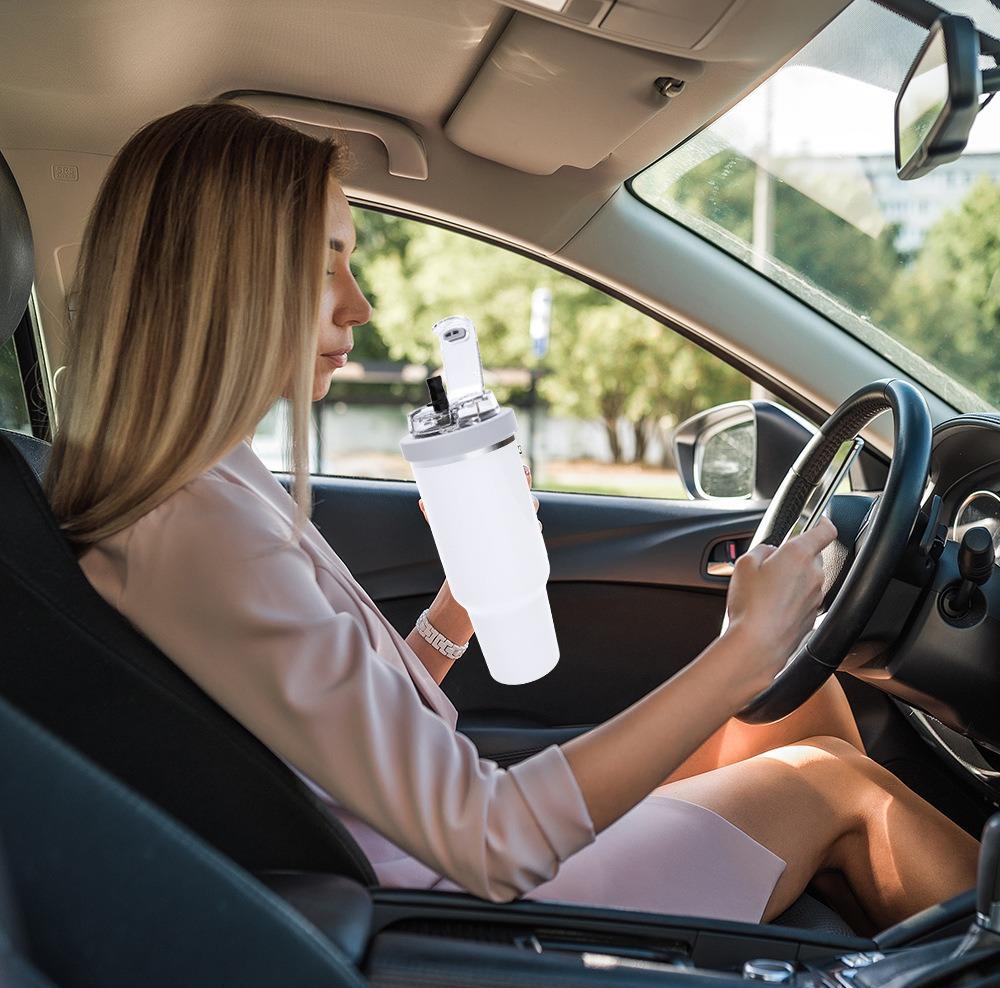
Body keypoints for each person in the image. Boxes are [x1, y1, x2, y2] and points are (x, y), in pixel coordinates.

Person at [44, 101, 979, 934]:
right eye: (327, 260)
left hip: (414, 844)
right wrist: (744, 639)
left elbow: (320, 729)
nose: (359, 307)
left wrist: (456, 610)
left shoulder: (204, 484)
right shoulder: (195, 527)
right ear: (224, 275)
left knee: (798, 704)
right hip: (449, 896)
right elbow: (488, 840)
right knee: (835, 783)